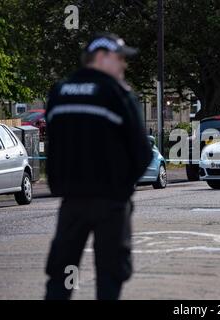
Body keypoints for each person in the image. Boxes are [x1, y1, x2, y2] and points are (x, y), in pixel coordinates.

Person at [44, 33, 152, 300]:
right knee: (110, 273)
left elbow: (52, 146)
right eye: (120, 58)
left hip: (72, 202)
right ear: (102, 57)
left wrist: (59, 185)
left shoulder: (60, 91)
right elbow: (142, 150)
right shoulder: (117, 93)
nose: (124, 66)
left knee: (62, 272)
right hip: (111, 202)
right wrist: (123, 186)